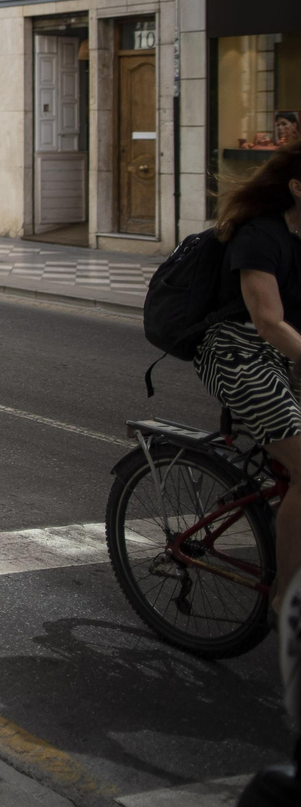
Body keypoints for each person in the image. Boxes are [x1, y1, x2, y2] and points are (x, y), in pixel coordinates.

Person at [199, 146, 301, 611]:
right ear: (297, 188)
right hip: (238, 352)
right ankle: (285, 596)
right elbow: (268, 323)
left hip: (288, 352)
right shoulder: (260, 236)